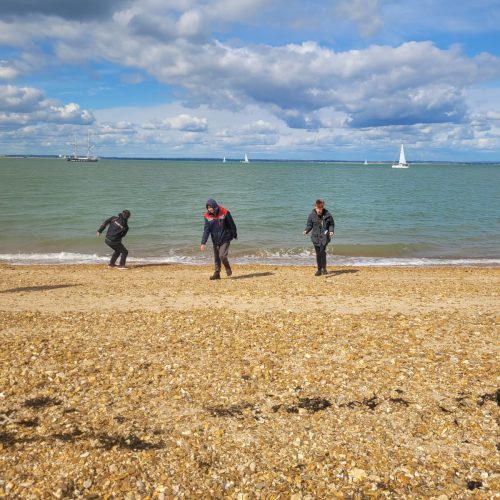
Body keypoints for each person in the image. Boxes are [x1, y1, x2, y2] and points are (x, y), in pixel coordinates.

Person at [200, 199, 237, 280]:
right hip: (215, 240)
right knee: (217, 258)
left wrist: (234, 234)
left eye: (210, 207)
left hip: (225, 238)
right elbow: (206, 230)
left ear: (214, 206)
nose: (209, 209)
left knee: (222, 255)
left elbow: (232, 224)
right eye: (208, 207)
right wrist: (203, 242)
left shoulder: (224, 212)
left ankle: (227, 267)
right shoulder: (207, 216)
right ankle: (217, 274)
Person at [303, 199, 335, 276]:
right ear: (315, 207)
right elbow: (309, 225)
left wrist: (331, 231)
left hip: (325, 237)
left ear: (323, 207)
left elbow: (331, 224)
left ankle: (324, 268)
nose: (319, 210)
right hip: (315, 237)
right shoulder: (311, 215)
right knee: (318, 253)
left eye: (321, 208)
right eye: (318, 208)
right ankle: (319, 270)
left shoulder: (328, 215)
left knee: (322, 252)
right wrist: (306, 230)